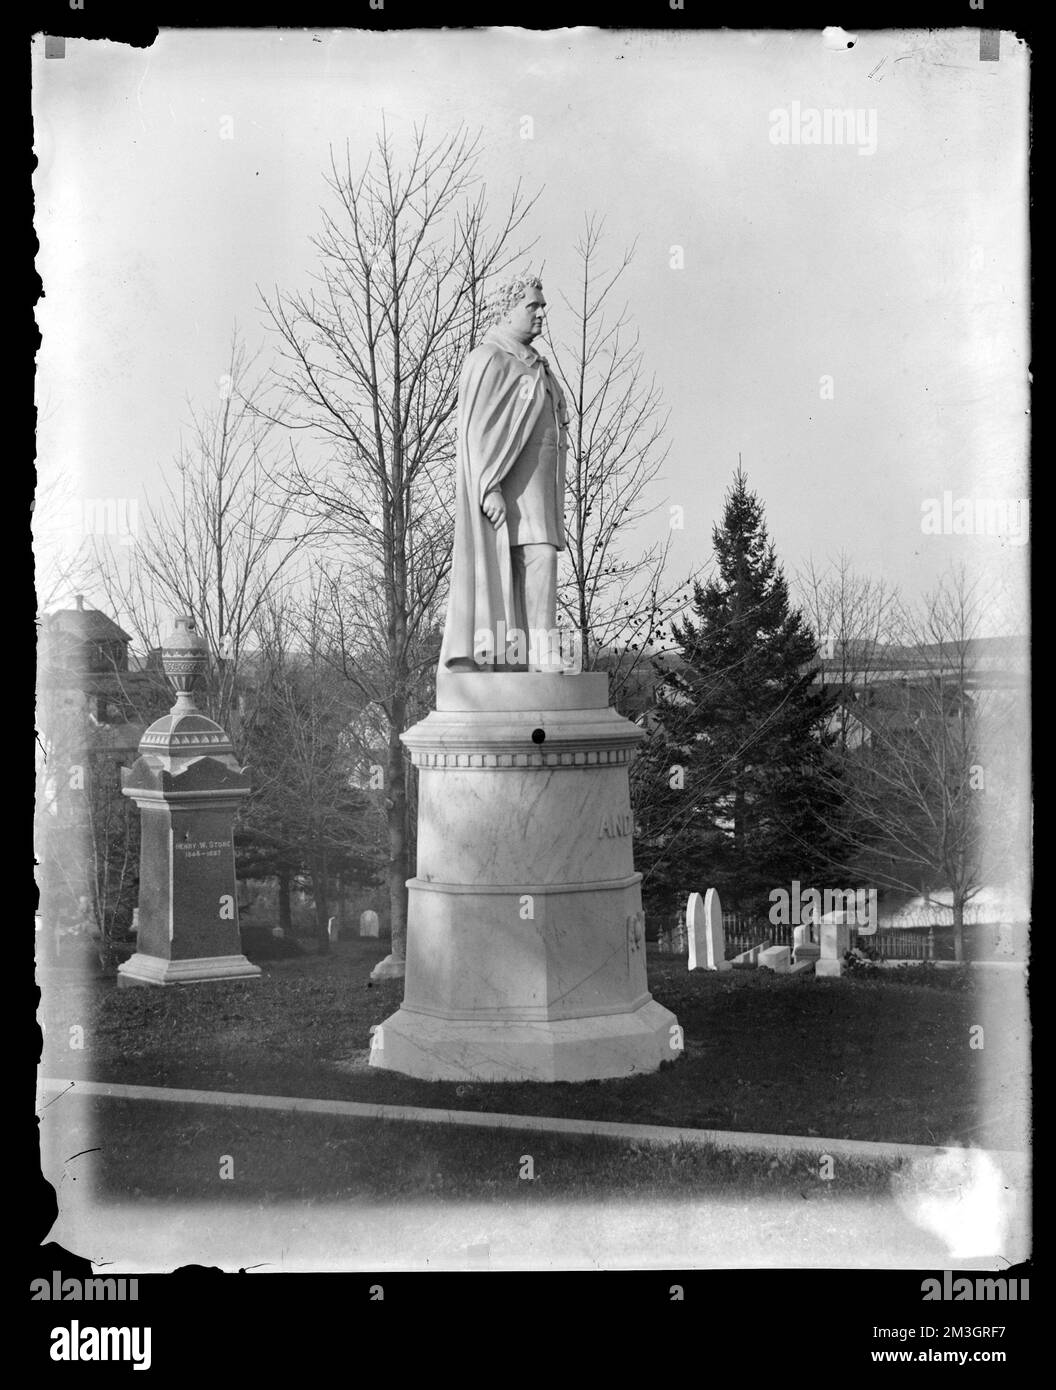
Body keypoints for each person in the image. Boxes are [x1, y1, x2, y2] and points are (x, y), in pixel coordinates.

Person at [439, 274, 569, 672]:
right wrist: (487, 486)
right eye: (532, 306)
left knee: (534, 561)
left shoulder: (538, 367)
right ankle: (539, 652)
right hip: (509, 490)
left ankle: (525, 655)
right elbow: (476, 432)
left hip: (538, 489)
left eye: (542, 306)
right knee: (539, 556)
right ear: (507, 310)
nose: (541, 313)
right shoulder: (489, 359)